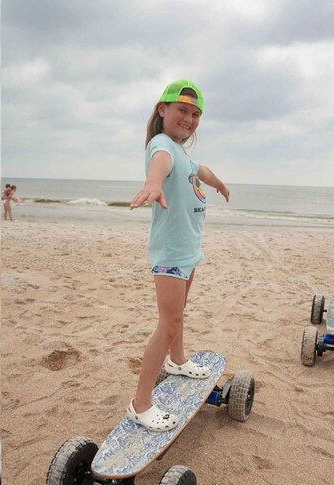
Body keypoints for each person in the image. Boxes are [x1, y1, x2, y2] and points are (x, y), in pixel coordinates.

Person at [127, 79, 230, 432]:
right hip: (171, 251)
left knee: (178, 314)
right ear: (163, 110)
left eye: (196, 114)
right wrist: (153, 183)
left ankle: (178, 360)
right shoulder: (162, 144)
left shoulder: (183, 151)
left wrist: (218, 183)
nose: (189, 119)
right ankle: (140, 403)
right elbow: (160, 162)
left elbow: (200, 170)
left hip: (188, 250)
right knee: (168, 322)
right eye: (182, 110)